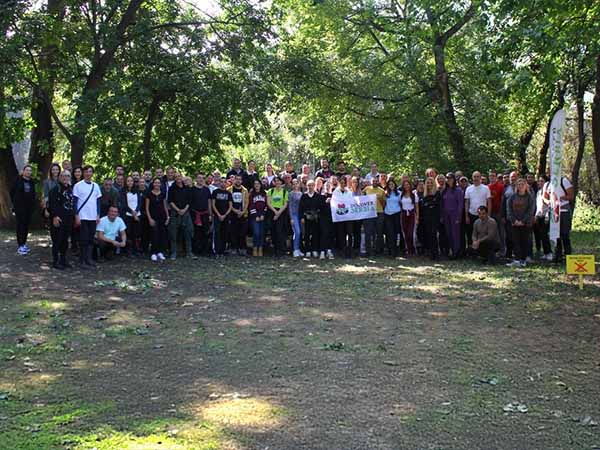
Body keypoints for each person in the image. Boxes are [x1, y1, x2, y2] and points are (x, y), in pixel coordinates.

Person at [73, 165, 102, 269]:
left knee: (90, 239)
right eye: (86, 172)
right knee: (83, 239)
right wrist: (76, 215)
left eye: (90, 172)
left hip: (93, 217)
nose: (88, 173)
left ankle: (88, 259)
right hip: (82, 216)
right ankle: (82, 260)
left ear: (92, 173)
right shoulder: (78, 186)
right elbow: (75, 202)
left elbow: (98, 202)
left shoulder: (96, 186)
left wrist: (98, 214)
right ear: (83, 173)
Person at [543, 174, 574, 262]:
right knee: (555, 234)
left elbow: (571, 196)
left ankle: (568, 255)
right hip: (552, 212)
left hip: (564, 211)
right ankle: (558, 255)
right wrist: (549, 201)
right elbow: (544, 198)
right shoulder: (547, 184)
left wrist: (558, 198)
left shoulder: (564, 181)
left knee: (564, 234)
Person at [48, 170, 75, 269]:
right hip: (58, 219)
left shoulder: (70, 189)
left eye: (67, 176)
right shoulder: (55, 189)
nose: (65, 178)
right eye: (63, 176)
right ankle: (56, 261)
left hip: (68, 219)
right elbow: (52, 204)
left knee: (65, 241)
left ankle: (63, 260)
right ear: (60, 177)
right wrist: (55, 216)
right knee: (57, 241)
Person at [506, 178, 534, 268]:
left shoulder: (529, 197)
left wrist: (522, 221)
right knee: (515, 241)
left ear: (526, 186)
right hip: (515, 223)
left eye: (522, 184)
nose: (520, 186)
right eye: (519, 184)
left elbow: (530, 210)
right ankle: (517, 260)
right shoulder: (512, 197)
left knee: (524, 241)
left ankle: (523, 260)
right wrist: (514, 220)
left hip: (526, 224)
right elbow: (509, 209)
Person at [10, 165, 37, 255]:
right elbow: (12, 192)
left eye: (30, 171)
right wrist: (15, 203)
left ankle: (24, 243)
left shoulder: (32, 182)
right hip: (19, 207)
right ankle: (20, 245)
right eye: (27, 170)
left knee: (26, 226)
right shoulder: (17, 180)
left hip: (29, 207)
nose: (29, 172)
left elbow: (33, 194)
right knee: (20, 225)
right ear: (23, 171)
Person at [167, 174, 193, 259]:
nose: (178, 178)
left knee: (188, 232)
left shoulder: (187, 188)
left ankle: (189, 252)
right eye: (176, 177)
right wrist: (178, 210)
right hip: (175, 212)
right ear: (174, 179)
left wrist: (184, 210)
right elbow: (170, 201)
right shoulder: (172, 188)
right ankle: (174, 252)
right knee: (173, 233)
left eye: (179, 176)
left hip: (186, 212)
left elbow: (189, 201)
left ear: (182, 178)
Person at [464, 171, 491, 248]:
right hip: (471, 214)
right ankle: (471, 250)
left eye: (477, 176)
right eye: (474, 177)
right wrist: (466, 216)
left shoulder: (486, 188)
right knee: (471, 233)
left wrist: (488, 215)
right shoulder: (468, 189)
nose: (476, 178)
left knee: (483, 234)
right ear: (472, 178)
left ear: (480, 178)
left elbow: (489, 202)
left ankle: (482, 251)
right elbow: (467, 203)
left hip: (483, 216)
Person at [145, 177, 169, 261]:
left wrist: (167, 216)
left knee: (161, 235)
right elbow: (147, 208)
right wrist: (149, 218)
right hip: (153, 217)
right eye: (155, 182)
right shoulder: (149, 194)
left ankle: (160, 252)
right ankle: (153, 253)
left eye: (159, 183)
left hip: (162, 217)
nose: (157, 184)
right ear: (153, 184)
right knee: (154, 235)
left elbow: (165, 206)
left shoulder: (162, 194)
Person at [441, 173, 463, 259]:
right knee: (448, 233)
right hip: (446, 215)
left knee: (455, 234)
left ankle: (457, 252)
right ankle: (452, 251)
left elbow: (460, 204)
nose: (448, 179)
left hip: (455, 214)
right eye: (447, 178)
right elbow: (442, 204)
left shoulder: (458, 190)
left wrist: (459, 216)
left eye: (450, 178)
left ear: (454, 179)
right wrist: (442, 216)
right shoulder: (445, 190)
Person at [363, 177, 386, 256]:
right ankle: (368, 251)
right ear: (371, 182)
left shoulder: (382, 190)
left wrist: (380, 199)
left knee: (379, 233)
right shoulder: (367, 189)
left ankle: (379, 250)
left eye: (376, 181)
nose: (375, 182)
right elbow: (361, 198)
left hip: (379, 213)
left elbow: (384, 204)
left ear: (378, 182)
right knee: (368, 233)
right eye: (373, 181)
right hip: (369, 214)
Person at [190, 173, 212, 256]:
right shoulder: (192, 189)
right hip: (195, 214)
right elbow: (190, 203)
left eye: (202, 178)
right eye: (199, 178)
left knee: (205, 232)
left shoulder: (206, 190)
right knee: (196, 233)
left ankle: (204, 251)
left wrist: (210, 214)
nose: (201, 179)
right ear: (196, 179)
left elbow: (209, 202)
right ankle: (195, 250)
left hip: (205, 214)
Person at [332, 176, 354, 258]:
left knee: (350, 233)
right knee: (341, 234)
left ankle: (350, 251)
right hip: (340, 216)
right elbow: (334, 202)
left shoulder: (349, 191)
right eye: (341, 182)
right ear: (339, 183)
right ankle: (343, 251)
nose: (342, 184)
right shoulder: (335, 192)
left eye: (344, 183)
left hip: (348, 217)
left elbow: (352, 202)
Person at [227, 174, 249, 255]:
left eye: (240, 179)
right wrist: (235, 211)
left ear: (242, 181)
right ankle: (233, 248)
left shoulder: (245, 190)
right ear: (234, 180)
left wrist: (242, 212)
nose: (238, 181)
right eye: (237, 179)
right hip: (232, 214)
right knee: (233, 232)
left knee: (242, 232)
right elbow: (228, 203)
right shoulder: (229, 190)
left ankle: (242, 248)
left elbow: (247, 202)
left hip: (242, 214)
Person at [267, 177, 289, 257]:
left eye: (278, 181)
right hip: (272, 212)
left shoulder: (285, 192)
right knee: (274, 232)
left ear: (281, 182)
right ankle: (275, 251)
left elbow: (285, 204)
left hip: (281, 212)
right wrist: (275, 212)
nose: (277, 182)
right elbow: (268, 203)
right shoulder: (271, 191)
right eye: (275, 181)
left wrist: (278, 213)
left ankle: (282, 251)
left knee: (280, 232)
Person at [211, 178, 233, 257]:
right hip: (217, 216)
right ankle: (216, 250)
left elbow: (230, 206)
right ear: (219, 183)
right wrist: (219, 215)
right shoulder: (215, 192)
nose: (223, 183)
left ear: (227, 183)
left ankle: (222, 251)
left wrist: (225, 215)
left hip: (226, 216)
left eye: (224, 182)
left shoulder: (228, 193)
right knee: (217, 233)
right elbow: (213, 204)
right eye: (221, 182)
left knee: (224, 233)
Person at [300, 179, 321, 257]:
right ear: (306, 186)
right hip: (306, 217)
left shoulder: (317, 196)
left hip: (315, 218)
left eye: (312, 185)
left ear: (314, 186)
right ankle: (307, 250)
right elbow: (301, 208)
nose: (310, 187)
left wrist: (318, 215)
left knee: (315, 234)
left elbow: (320, 207)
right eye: (309, 185)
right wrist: (302, 217)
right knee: (307, 234)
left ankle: (314, 250)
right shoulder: (304, 196)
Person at [122, 176, 142, 257]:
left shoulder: (137, 191)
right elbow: (124, 205)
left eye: (131, 181)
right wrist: (132, 213)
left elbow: (140, 203)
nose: (130, 182)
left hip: (137, 215)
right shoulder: (123, 192)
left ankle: (136, 250)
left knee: (136, 234)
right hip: (128, 215)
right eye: (128, 181)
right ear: (126, 182)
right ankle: (129, 251)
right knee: (129, 233)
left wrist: (136, 211)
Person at [421, 177, 441, 260]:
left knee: (434, 235)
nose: (429, 184)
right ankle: (431, 253)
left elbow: (436, 204)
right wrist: (430, 204)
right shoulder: (425, 194)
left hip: (434, 217)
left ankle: (436, 254)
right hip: (426, 218)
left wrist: (429, 204)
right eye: (428, 183)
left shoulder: (437, 193)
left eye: (431, 182)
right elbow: (424, 205)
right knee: (429, 235)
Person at [533, 176, 552, 260]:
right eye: (539, 181)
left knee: (545, 234)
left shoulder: (549, 192)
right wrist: (536, 216)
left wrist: (548, 215)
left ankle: (549, 252)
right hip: (539, 216)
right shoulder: (538, 192)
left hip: (546, 216)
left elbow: (549, 205)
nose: (540, 183)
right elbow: (538, 206)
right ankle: (545, 252)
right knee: (541, 235)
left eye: (542, 181)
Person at [487, 170, 506, 255]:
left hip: (499, 212)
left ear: (496, 177)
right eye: (490, 176)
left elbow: (503, 200)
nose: (492, 177)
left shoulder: (501, 186)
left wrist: (502, 214)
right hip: (490, 212)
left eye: (493, 176)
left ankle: (503, 250)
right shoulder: (487, 187)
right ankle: (493, 250)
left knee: (501, 232)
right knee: (491, 233)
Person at [501, 171, 518, 259]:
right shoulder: (506, 189)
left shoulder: (521, 188)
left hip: (518, 218)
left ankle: (517, 254)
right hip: (508, 217)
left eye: (514, 177)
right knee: (508, 236)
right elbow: (503, 203)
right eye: (511, 177)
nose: (513, 178)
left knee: (517, 236)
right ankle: (508, 253)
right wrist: (503, 216)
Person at [249, 179, 268, 256]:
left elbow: (266, 205)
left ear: (260, 185)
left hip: (263, 215)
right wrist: (256, 215)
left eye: (258, 184)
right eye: (255, 184)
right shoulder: (252, 194)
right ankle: (255, 248)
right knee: (256, 233)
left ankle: (260, 248)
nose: (257, 185)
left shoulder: (264, 194)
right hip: (254, 216)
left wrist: (263, 214)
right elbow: (251, 206)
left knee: (261, 233)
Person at [399, 179, 418, 256]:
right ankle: (408, 250)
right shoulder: (401, 195)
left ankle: (413, 249)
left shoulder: (414, 195)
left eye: (408, 184)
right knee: (405, 233)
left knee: (411, 233)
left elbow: (417, 207)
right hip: (403, 215)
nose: (406, 186)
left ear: (410, 185)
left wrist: (417, 218)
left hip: (411, 214)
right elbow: (400, 205)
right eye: (405, 185)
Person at [383, 179, 401, 257]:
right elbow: (383, 204)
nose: (391, 185)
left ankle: (395, 251)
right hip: (388, 215)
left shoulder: (399, 193)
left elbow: (401, 204)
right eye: (389, 184)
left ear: (395, 185)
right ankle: (390, 250)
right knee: (389, 233)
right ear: (388, 186)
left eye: (392, 184)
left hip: (396, 214)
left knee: (395, 233)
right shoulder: (386, 194)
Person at [318, 181, 335, 259]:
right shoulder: (320, 196)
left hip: (332, 218)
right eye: (326, 186)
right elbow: (318, 207)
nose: (327, 187)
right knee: (324, 234)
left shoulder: (334, 196)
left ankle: (329, 251)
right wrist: (325, 202)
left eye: (329, 185)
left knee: (330, 234)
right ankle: (322, 251)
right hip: (323, 218)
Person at [289, 179, 304, 257]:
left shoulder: (301, 194)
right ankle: (295, 250)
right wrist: (291, 218)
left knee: (300, 232)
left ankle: (298, 249)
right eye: (294, 184)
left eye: (296, 183)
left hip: (300, 215)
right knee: (297, 232)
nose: (295, 185)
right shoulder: (291, 194)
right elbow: (290, 207)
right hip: (294, 215)